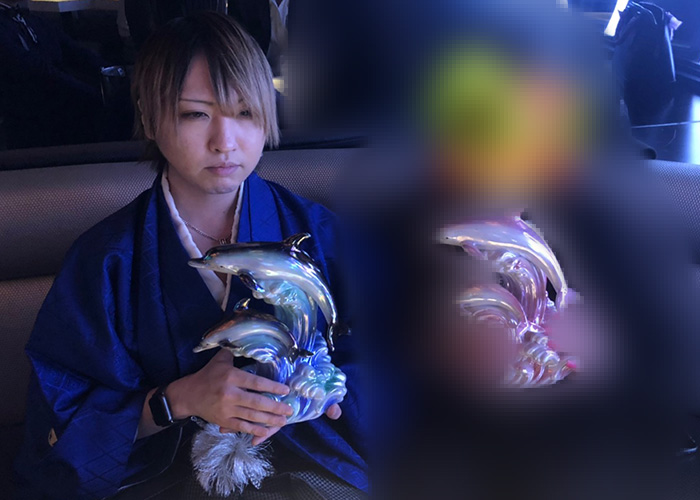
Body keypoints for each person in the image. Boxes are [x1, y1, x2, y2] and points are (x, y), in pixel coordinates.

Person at [14, 12, 367, 499]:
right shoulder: (107, 259)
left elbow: (386, 353)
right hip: (163, 481)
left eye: (245, 113)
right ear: (150, 117)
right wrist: (177, 400)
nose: (225, 142)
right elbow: (60, 424)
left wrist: (327, 391)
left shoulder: (317, 233)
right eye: (195, 114)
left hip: (308, 463)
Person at [0, 0, 107, 149]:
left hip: (61, 99)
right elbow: (34, 70)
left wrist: (113, 71)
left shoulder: (33, 20)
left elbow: (76, 52)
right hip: (32, 117)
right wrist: (87, 91)